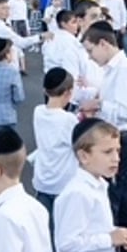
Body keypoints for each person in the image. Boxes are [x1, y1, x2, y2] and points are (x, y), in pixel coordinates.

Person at [80, 23, 127, 252]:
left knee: (113, 203)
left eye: (91, 49)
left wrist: (100, 105)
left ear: (104, 44)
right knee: (121, 200)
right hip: (112, 137)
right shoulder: (110, 70)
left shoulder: (124, 71)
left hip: (117, 139)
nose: (90, 56)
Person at [54, 119, 127, 252]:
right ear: (83, 156)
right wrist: (109, 239)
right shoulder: (78, 193)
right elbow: (67, 242)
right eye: (107, 152)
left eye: (117, 151)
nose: (116, 158)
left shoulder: (99, 185)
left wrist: (115, 234)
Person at [31, 67, 79, 217]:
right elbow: (79, 142)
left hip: (42, 180)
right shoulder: (69, 120)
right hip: (63, 182)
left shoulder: (38, 111)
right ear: (68, 93)